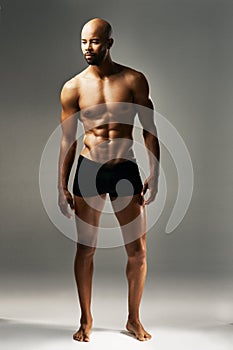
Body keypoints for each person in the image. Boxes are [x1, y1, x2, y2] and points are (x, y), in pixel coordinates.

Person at [58, 17, 160, 342]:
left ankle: (133, 319)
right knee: (85, 249)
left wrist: (155, 172)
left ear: (110, 43)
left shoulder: (133, 80)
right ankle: (86, 319)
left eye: (96, 42)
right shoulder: (73, 88)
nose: (89, 48)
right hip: (88, 169)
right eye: (84, 42)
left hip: (124, 170)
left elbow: (149, 128)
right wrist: (61, 185)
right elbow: (68, 139)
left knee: (138, 252)